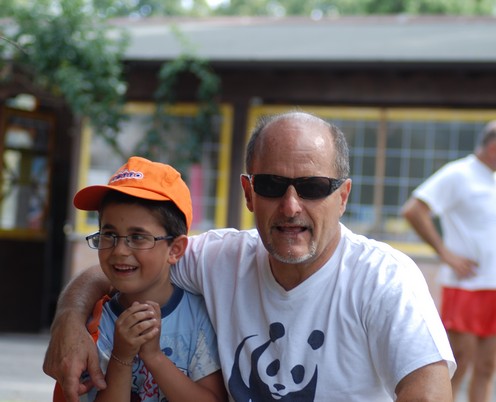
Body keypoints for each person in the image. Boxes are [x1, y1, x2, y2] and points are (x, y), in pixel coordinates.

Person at [44, 111, 456, 402]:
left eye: (313, 186)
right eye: (273, 184)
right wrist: (69, 318)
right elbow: (128, 265)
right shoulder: (220, 258)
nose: (292, 206)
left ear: (343, 196)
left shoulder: (384, 278)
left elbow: (427, 393)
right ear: (248, 193)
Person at [54, 156, 227, 402]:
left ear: (175, 250)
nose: (120, 251)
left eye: (138, 237)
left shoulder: (199, 314)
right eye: (109, 234)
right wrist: (122, 356)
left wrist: (154, 356)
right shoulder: (93, 323)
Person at [401, 120, 496, 402]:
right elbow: (413, 210)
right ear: (493, 149)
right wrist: (445, 253)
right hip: (465, 287)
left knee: (488, 367)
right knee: (458, 365)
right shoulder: (458, 174)